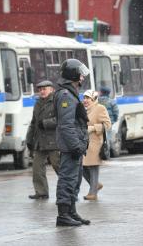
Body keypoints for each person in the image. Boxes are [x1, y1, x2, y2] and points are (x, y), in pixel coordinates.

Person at [54, 59, 91, 227]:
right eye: (80, 75)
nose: (82, 78)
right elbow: (66, 125)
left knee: (75, 180)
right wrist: (76, 146)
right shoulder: (66, 95)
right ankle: (63, 215)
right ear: (73, 75)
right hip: (71, 147)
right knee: (67, 180)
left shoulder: (70, 92)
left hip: (75, 145)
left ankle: (71, 211)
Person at [26, 80, 60, 200]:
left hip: (54, 141)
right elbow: (33, 122)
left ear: (51, 89)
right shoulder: (38, 103)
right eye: (40, 89)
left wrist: (45, 123)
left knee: (59, 168)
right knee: (37, 169)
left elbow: (61, 119)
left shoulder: (56, 101)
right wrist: (29, 139)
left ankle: (69, 192)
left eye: (44, 89)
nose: (42, 91)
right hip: (40, 141)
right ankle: (41, 193)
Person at [82, 90, 111, 201]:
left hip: (95, 143)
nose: (85, 100)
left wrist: (93, 128)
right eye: (84, 98)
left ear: (93, 99)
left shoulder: (100, 108)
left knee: (93, 167)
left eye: (88, 98)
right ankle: (96, 185)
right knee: (82, 167)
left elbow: (107, 125)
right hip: (84, 143)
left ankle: (93, 193)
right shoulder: (83, 109)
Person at [98, 86, 119, 154]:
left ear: (101, 93)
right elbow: (116, 112)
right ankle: (107, 152)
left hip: (98, 122)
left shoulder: (97, 101)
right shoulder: (111, 102)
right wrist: (114, 120)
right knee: (108, 137)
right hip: (108, 122)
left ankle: (99, 152)